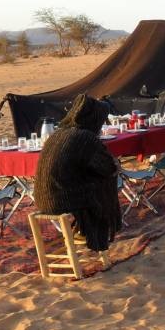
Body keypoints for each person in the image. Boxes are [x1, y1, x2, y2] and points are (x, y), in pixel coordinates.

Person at [35, 94, 122, 254]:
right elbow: (107, 168)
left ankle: (86, 230)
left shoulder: (56, 134)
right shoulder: (85, 138)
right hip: (62, 199)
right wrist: (115, 164)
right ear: (94, 120)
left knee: (93, 181)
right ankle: (93, 233)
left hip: (41, 198)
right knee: (104, 184)